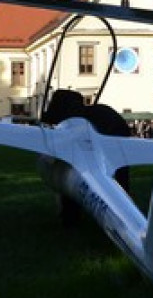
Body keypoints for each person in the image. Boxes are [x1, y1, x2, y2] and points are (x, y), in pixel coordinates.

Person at [41, 88, 132, 227]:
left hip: (112, 140)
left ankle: (71, 217)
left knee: (74, 171)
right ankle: (125, 214)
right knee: (118, 183)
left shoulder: (77, 124)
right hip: (118, 142)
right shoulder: (98, 113)